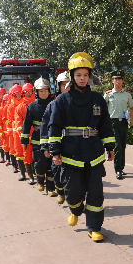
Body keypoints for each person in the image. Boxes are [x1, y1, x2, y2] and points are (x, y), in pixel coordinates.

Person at [49, 52, 115, 242]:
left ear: (90, 76)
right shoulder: (62, 100)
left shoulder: (98, 100)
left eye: (85, 75)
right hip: (71, 152)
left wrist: (109, 146)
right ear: (72, 76)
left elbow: (105, 125)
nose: (82, 78)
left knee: (95, 192)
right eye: (79, 75)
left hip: (93, 151)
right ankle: (75, 209)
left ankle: (94, 227)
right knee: (73, 191)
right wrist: (55, 150)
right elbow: (54, 126)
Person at [23, 78, 57, 196]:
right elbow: (26, 124)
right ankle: (40, 181)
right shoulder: (32, 107)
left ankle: (51, 189)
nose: (44, 93)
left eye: (46, 90)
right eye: (41, 91)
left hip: (52, 139)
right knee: (41, 163)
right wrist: (24, 140)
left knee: (52, 165)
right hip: (37, 140)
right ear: (36, 92)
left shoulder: (54, 104)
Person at [41, 72, 70, 204]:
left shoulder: (79, 104)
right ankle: (60, 191)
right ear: (59, 87)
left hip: (73, 144)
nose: (67, 87)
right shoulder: (52, 105)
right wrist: (46, 147)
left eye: (70, 84)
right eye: (64, 85)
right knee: (57, 170)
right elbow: (46, 127)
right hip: (57, 145)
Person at [104, 70, 133, 180]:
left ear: (122, 81)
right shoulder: (108, 95)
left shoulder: (127, 94)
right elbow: (103, 109)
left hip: (124, 122)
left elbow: (131, 108)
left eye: (119, 79)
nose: (118, 81)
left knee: (122, 145)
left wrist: (131, 120)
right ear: (112, 81)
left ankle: (121, 167)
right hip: (112, 122)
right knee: (117, 146)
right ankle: (117, 170)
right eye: (115, 79)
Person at [15, 83, 36, 183]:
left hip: (37, 135)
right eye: (26, 92)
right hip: (27, 136)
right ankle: (30, 176)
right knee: (27, 156)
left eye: (30, 91)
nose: (28, 93)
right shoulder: (19, 108)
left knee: (38, 156)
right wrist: (23, 138)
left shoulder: (37, 104)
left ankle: (39, 176)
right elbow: (19, 124)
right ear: (23, 93)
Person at [7, 85, 23, 173]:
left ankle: (23, 167)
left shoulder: (24, 103)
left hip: (21, 130)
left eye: (20, 93)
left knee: (23, 149)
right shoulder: (10, 106)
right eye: (16, 93)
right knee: (13, 149)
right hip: (13, 131)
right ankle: (14, 166)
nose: (18, 95)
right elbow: (9, 120)